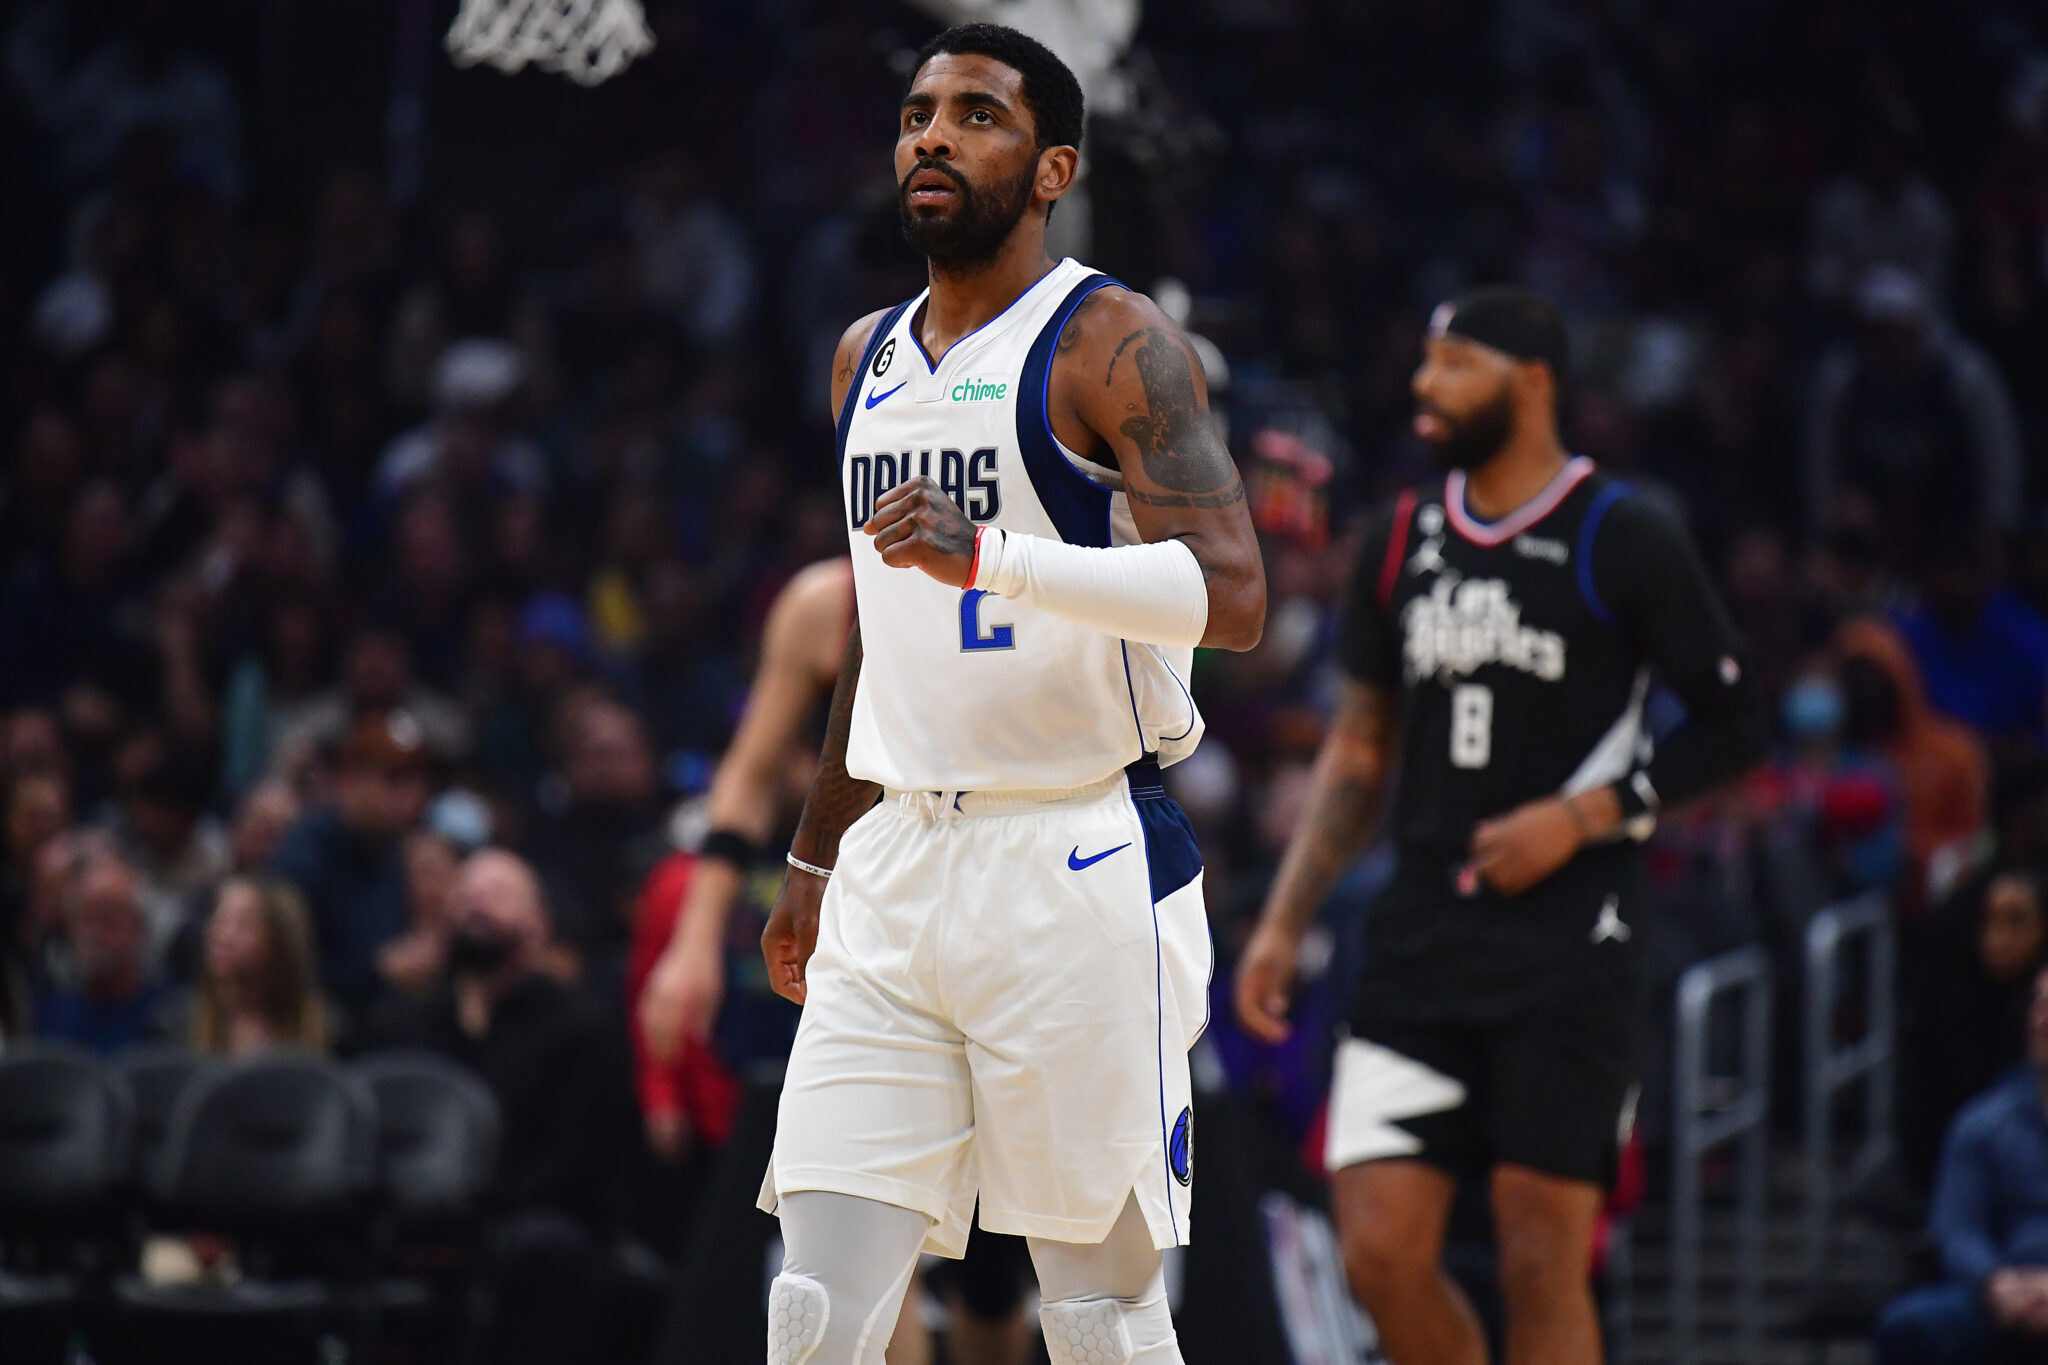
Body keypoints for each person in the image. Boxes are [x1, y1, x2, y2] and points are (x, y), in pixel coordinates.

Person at [753, 24, 1265, 1365]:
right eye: (917, 113)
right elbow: (881, 631)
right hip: (897, 862)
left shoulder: (1112, 338)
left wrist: (991, 555)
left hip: (1073, 851)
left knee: (1097, 1317)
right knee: (814, 1310)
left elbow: (1232, 596)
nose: (932, 134)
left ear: (1052, 170)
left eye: (976, 114)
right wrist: (813, 853)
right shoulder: (861, 356)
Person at [1234, 286, 1766, 1365]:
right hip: (1422, 935)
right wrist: (1285, 921)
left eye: (1454, 364)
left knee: (1539, 1260)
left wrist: (1584, 816)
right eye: (1425, 362)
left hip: (1571, 942)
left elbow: (1736, 722)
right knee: (1376, 1252)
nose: (1423, 384)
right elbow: (1358, 749)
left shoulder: (1622, 531)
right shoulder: (1398, 537)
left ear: (1531, 383)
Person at [638, 556, 1027, 1365]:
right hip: (870, 933)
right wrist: (694, 938)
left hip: (1011, 920)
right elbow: (749, 772)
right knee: (868, 1231)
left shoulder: (1036, 562)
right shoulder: (825, 603)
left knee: (994, 1271)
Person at [362, 848, 615, 1365]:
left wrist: (473, 1217)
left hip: (520, 1220)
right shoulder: (401, 1023)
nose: (475, 903)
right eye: (465, 893)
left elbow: (574, 1167)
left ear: (540, 924)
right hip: (410, 1217)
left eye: (497, 894)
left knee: (547, 1250)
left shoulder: (579, 1029)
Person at [1876, 964, 2048, 1364]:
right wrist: (1997, 1283)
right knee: (1912, 1325)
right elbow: (1958, 1230)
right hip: (2005, 1289)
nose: (2041, 1018)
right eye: (2038, 1003)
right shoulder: (1984, 1123)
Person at [271, 710, 431, 1026]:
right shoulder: (303, 861)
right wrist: (376, 969)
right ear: (348, 782)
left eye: (417, 780)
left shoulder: (389, 849)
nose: (410, 795)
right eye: (393, 779)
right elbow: (286, 973)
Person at [34, 852, 175, 1053]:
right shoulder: (48, 1017)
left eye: (107, 917)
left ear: (139, 926)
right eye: (85, 916)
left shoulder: (168, 1016)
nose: (94, 932)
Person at [190, 874, 326, 1054]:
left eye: (244, 924)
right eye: (221, 920)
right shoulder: (181, 1026)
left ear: (280, 940)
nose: (222, 935)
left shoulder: (329, 1031)